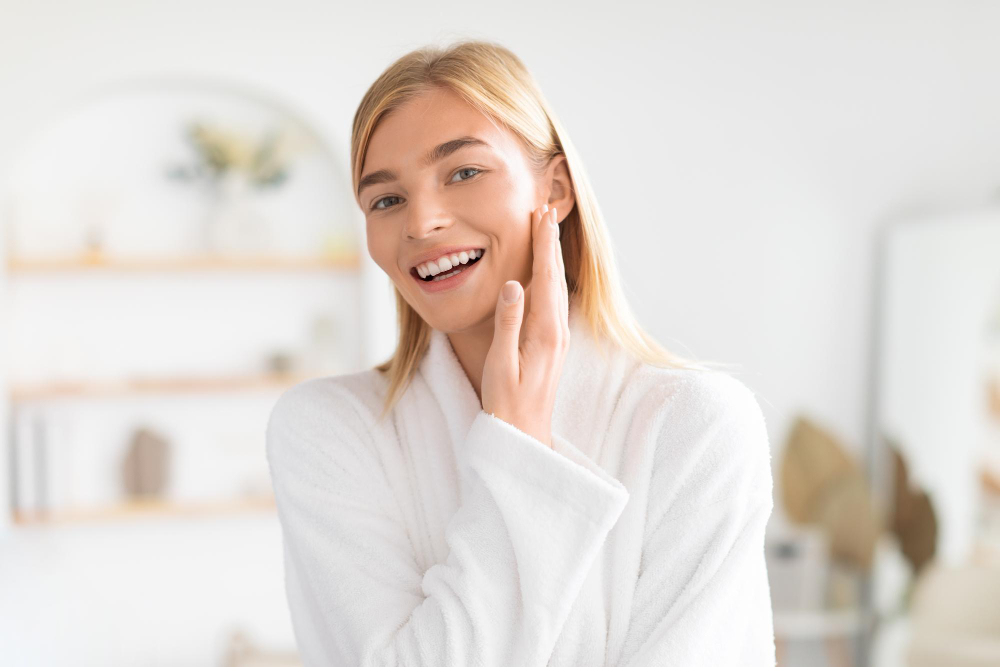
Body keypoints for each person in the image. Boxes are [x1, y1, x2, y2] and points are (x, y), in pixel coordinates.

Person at [265, 40, 776, 667]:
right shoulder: (329, 429)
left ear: (554, 188)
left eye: (464, 172)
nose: (421, 222)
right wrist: (518, 450)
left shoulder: (697, 427)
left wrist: (515, 450)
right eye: (386, 199)